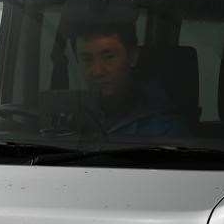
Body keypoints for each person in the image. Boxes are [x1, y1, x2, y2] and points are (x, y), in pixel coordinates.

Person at [71, 7, 189, 138]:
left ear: (132, 56)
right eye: (87, 59)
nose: (97, 71)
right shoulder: (68, 115)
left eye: (108, 57)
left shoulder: (165, 129)